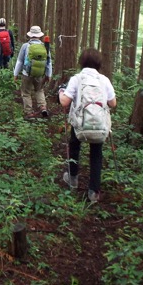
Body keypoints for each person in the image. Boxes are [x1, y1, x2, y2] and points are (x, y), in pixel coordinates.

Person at [58, 48, 116, 203]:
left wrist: (61, 92)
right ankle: (94, 192)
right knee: (96, 154)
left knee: (74, 146)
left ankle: (73, 178)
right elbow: (113, 103)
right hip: (99, 126)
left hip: (80, 125)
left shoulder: (77, 79)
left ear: (81, 62)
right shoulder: (104, 80)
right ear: (99, 63)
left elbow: (65, 101)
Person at [13, 25, 52, 118]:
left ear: (30, 35)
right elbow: (49, 62)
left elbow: (20, 61)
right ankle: (43, 107)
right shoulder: (44, 46)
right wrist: (48, 74)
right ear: (40, 35)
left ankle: (29, 112)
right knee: (39, 90)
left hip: (26, 73)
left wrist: (15, 74)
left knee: (26, 93)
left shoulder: (25, 46)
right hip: (40, 74)